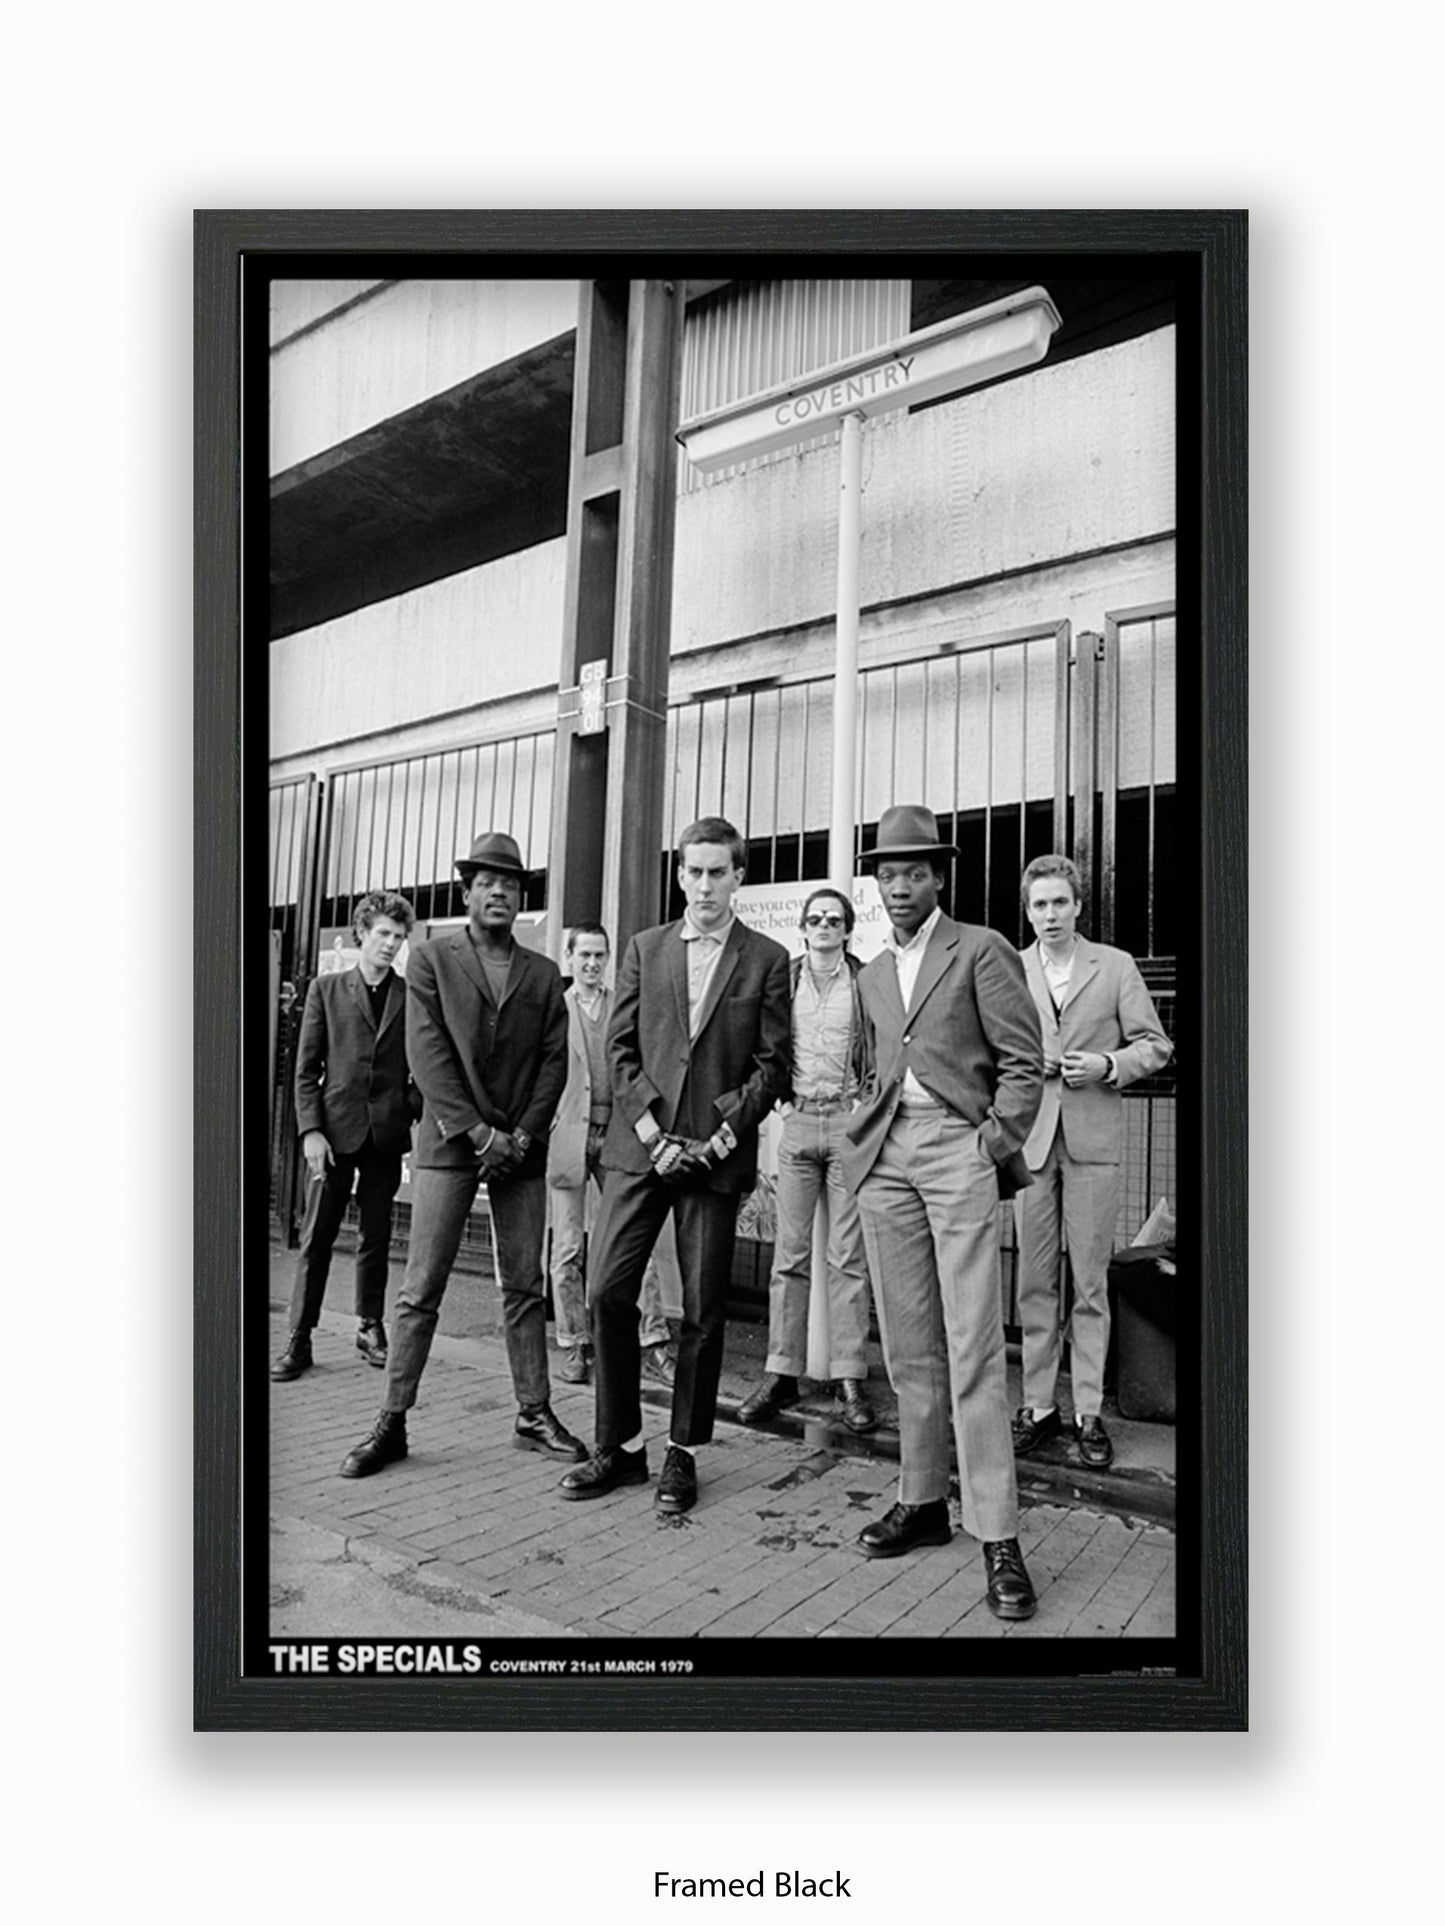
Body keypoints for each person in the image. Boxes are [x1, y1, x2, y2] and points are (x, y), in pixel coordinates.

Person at [844, 805, 1044, 1621]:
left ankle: (996, 1533)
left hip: (956, 1150)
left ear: (938, 877)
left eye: (913, 873)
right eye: (887, 874)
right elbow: (869, 1064)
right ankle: (923, 1501)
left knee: (970, 1347)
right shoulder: (867, 973)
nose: (898, 886)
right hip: (884, 1157)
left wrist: (990, 1142)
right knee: (907, 1345)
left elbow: (1023, 1063)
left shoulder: (981, 948)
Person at [559, 817, 791, 1515]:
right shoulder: (645, 948)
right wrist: (650, 1131)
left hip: (714, 1159)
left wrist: (724, 1133)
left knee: (700, 1309)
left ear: (738, 878)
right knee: (607, 1291)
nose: (703, 885)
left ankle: (681, 1453)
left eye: (718, 872)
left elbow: (771, 1063)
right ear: (680, 875)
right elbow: (621, 1050)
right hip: (641, 1153)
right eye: (693, 871)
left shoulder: (766, 958)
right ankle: (622, 1447)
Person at [340, 832, 583, 1477]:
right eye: (486, 881)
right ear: (468, 891)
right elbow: (427, 1052)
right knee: (421, 1288)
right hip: (452, 1144)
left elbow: (554, 1062)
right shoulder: (430, 960)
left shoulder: (540, 973)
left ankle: (534, 1412)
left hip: (522, 1152)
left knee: (525, 1287)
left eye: (509, 883)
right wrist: (479, 1134)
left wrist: (522, 1137)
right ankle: (392, 1422)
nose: (498, 890)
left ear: (520, 897)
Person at [1011, 854, 1174, 1469]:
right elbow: (995, 1048)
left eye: (1059, 903)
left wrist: (1107, 1066)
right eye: (1039, 905)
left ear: (1078, 906)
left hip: (1093, 1140)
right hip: (1032, 1141)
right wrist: (1031, 1067)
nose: (1049, 915)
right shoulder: (1011, 966)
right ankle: (1038, 1406)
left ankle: (1087, 1413)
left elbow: (1156, 1046)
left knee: (1088, 1282)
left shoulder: (1116, 966)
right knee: (1033, 1281)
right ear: (1026, 911)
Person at [737, 886, 877, 1433]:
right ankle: (781, 1372)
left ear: (846, 929)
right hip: (797, 1123)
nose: (824, 926)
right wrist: (780, 1101)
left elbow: (883, 1041)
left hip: (847, 1121)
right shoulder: (787, 979)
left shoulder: (863, 982)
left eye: (834, 919)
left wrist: (865, 1098)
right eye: (815, 919)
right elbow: (764, 1043)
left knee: (847, 1257)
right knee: (788, 1257)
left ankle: (848, 1376)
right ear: (803, 927)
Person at [273, 891, 419, 1383]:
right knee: (317, 1238)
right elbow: (305, 1068)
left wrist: (409, 1110)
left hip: (385, 1136)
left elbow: (422, 1066)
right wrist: (311, 1130)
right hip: (333, 1134)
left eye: (398, 938)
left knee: (376, 1237)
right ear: (362, 933)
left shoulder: (410, 995)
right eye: (382, 934)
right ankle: (299, 1336)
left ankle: (369, 1325)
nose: (390, 945)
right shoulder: (327, 989)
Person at [546, 922, 676, 1389]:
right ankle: (575, 1343)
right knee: (567, 1250)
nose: (593, 963)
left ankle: (653, 1340)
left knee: (632, 1241)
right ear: (569, 958)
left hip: (617, 1136)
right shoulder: (555, 1011)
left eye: (600, 955)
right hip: (570, 1138)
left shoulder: (625, 1004)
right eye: (584, 955)